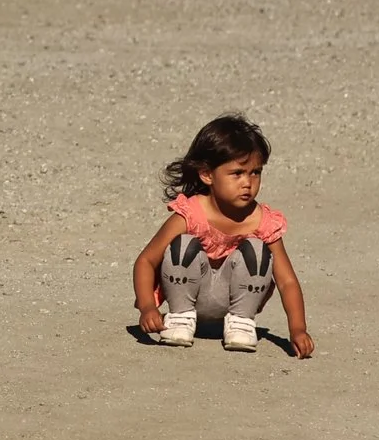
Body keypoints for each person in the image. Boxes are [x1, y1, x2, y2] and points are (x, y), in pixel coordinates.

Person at [131, 114, 313, 357]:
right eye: (237, 173)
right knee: (183, 245)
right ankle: (181, 318)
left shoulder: (263, 222)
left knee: (258, 250)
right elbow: (146, 260)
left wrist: (298, 329)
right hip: (189, 296)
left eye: (255, 172)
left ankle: (240, 323)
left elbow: (287, 281)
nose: (248, 183)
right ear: (207, 175)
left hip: (236, 302)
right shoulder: (191, 214)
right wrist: (147, 307)